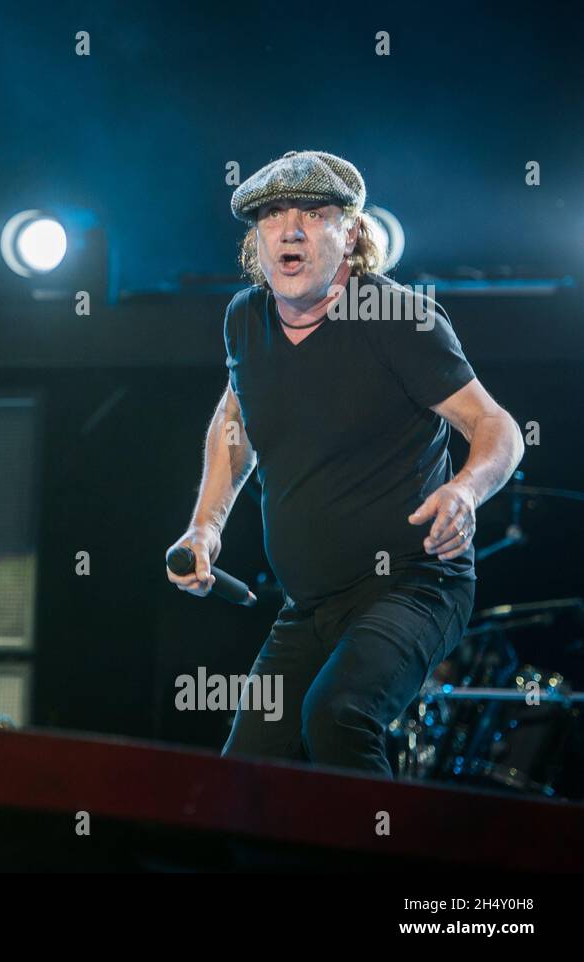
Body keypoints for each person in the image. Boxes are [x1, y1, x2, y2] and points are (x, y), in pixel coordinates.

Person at [166, 150, 524, 775]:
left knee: (337, 716)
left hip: (413, 586)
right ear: (258, 236)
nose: (291, 229)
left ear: (351, 232)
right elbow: (236, 422)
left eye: (313, 212)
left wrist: (465, 491)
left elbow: (497, 426)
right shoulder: (245, 320)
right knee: (246, 776)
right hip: (309, 605)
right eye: (273, 214)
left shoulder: (396, 319)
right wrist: (205, 526)